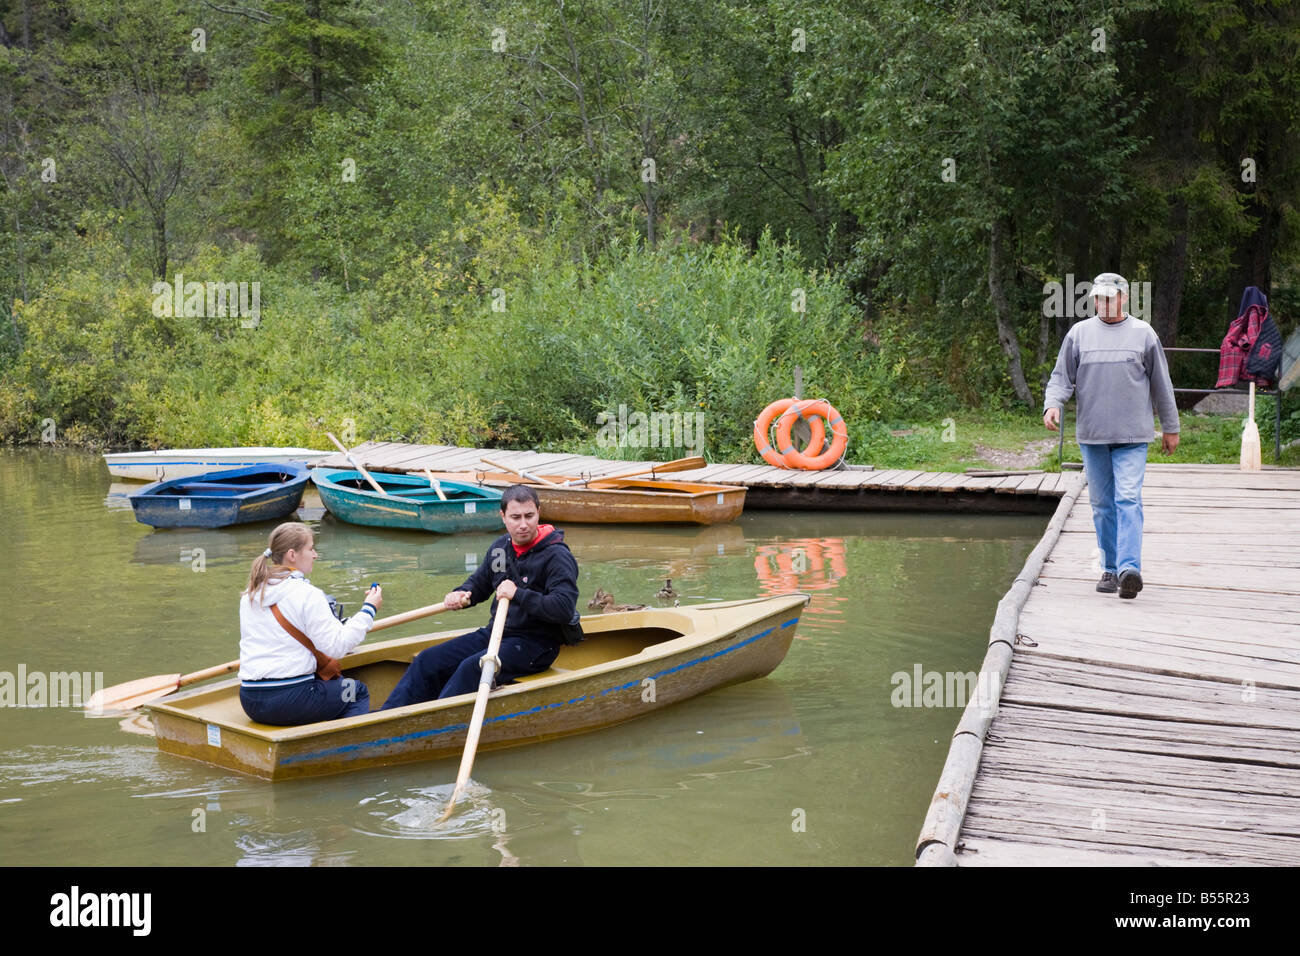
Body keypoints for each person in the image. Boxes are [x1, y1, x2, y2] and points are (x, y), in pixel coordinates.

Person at [1044, 272, 1180, 600]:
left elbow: (1162, 383)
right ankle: (1109, 567)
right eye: (1098, 298)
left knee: (1128, 498)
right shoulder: (1079, 334)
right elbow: (1061, 377)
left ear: (1124, 299)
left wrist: (1171, 427)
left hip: (1133, 436)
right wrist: (1053, 404)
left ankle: (1129, 569)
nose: (1103, 303)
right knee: (1103, 505)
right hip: (1093, 436)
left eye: (1109, 297)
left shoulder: (1143, 334)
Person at [381, 484, 579, 708]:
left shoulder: (557, 556)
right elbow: (480, 584)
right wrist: (460, 594)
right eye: (515, 517)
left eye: (529, 516)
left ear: (538, 513)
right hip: (495, 633)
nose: (523, 524)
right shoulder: (499, 549)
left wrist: (518, 594)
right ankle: (388, 718)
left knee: (471, 668)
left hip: (536, 644)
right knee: (428, 661)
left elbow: (563, 608)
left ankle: (434, 724)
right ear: (503, 516)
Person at [239, 521, 382, 724]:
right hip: (290, 700)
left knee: (325, 686)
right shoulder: (308, 594)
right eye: (311, 548)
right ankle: (345, 747)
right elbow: (337, 647)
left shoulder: (250, 594)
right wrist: (369, 609)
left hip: (251, 701)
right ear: (292, 555)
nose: (315, 555)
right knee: (355, 691)